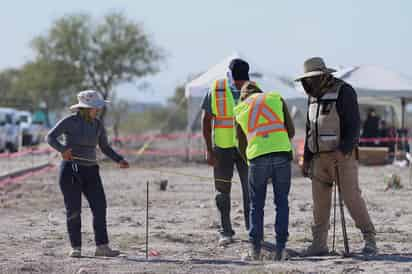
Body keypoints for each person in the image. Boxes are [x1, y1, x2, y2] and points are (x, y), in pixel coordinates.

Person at [296, 57, 377, 256]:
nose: (310, 82)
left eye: (314, 78)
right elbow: (309, 129)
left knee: (352, 199)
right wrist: (306, 159)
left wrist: (343, 150)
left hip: (342, 157)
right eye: (308, 79)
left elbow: (354, 125)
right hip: (318, 159)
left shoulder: (344, 91)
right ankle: (319, 244)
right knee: (320, 205)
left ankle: (370, 239)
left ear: (324, 75)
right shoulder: (312, 97)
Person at [47, 90, 130, 258]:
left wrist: (119, 159)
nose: (98, 110)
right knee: (74, 210)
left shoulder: (98, 125)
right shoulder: (69, 121)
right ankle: (76, 247)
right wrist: (62, 150)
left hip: (91, 170)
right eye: (95, 108)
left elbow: (105, 147)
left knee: (99, 207)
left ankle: (102, 247)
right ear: (86, 109)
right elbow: (50, 137)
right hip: (71, 169)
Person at [234, 81, 295, 261]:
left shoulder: (240, 109)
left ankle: (255, 249)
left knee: (256, 205)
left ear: (243, 96)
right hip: (282, 154)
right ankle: (281, 248)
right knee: (281, 202)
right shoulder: (275, 98)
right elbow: (290, 131)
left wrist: (251, 162)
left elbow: (240, 142)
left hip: (257, 157)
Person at [201, 59, 250, 245]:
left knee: (251, 190)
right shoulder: (215, 90)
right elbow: (206, 121)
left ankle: (253, 230)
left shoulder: (254, 90)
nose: (239, 84)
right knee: (222, 192)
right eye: (236, 80)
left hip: (247, 150)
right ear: (229, 76)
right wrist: (208, 150)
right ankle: (226, 231)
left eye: (242, 81)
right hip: (222, 149)